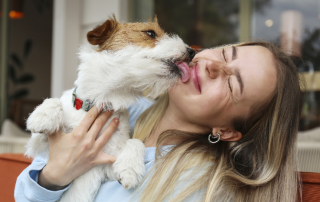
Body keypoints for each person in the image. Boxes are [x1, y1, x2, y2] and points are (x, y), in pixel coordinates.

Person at [15, 41, 301, 202]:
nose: (214, 65)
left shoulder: (196, 188)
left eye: (232, 84)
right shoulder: (124, 106)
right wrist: (54, 176)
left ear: (225, 131)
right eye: (226, 53)